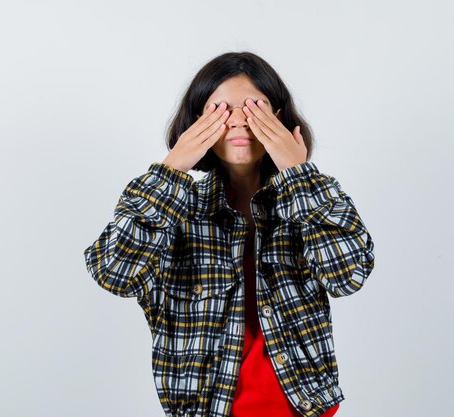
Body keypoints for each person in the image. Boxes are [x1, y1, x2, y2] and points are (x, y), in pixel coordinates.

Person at [83, 51, 375, 417]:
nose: (239, 120)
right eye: (220, 109)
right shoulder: (172, 206)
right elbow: (114, 273)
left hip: (306, 408)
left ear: (279, 118)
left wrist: (298, 174)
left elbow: (349, 276)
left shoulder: (311, 196)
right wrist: (171, 169)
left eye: (255, 107)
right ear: (196, 123)